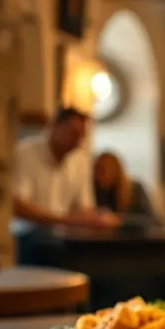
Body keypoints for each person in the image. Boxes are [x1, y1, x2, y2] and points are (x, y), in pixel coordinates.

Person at [13, 107, 118, 264]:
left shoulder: (80, 161)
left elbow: (84, 208)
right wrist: (66, 220)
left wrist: (97, 219)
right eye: (73, 134)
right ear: (55, 126)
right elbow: (19, 206)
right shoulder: (25, 153)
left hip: (62, 239)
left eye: (81, 136)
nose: (77, 142)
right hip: (28, 238)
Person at [92, 151, 157, 226]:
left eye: (103, 170)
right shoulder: (94, 190)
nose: (99, 176)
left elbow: (152, 220)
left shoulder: (134, 189)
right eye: (97, 171)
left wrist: (120, 220)